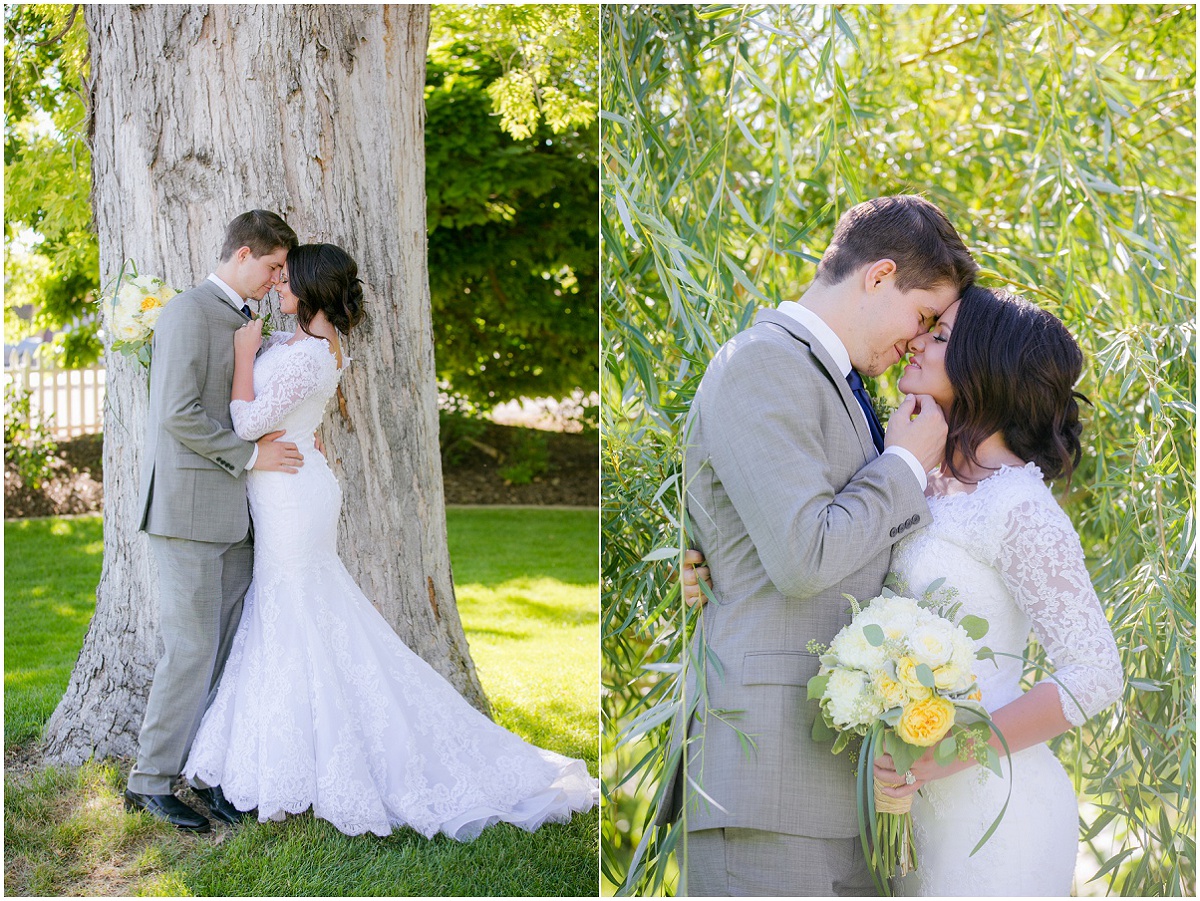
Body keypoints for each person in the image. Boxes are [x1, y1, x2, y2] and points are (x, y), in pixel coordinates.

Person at [182, 243, 598, 839]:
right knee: (301, 611)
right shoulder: (305, 347)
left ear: (310, 288)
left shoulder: (308, 354)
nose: (277, 286)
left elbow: (248, 424)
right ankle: (285, 756)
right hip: (290, 485)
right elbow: (289, 413)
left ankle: (306, 760)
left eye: (286, 279)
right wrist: (262, 355)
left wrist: (245, 357)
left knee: (295, 609)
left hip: (292, 496)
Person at [660, 195, 978, 896]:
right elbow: (802, 555)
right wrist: (903, 464)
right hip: (767, 774)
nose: (918, 341)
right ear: (878, 275)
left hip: (841, 776)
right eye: (922, 316)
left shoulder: (840, 383)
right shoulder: (762, 362)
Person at [872, 286, 1123, 895]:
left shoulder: (1019, 506)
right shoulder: (904, 470)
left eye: (940, 336)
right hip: (905, 805)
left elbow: (1096, 673)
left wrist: (947, 754)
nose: (916, 343)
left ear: (984, 367)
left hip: (995, 814)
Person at [126, 210, 302, 833]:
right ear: (244, 253)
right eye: (275, 265)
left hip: (237, 517)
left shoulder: (241, 320)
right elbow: (176, 414)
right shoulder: (187, 312)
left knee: (227, 650)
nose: (279, 278)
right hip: (186, 513)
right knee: (191, 649)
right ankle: (149, 781)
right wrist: (253, 454)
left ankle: (208, 772)